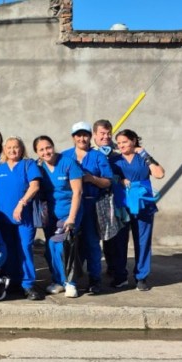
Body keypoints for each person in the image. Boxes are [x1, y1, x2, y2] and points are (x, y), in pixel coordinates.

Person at [0, 136, 43, 300]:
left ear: (21, 149)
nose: (12, 150)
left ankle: (28, 285)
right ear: (4, 150)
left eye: (15, 147)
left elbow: (35, 186)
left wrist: (22, 203)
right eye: (9, 147)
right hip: (3, 220)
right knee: (7, 251)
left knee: (24, 248)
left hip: (24, 219)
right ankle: (11, 282)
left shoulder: (28, 165)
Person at [110, 129, 165, 291]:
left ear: (134, 141)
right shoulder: (115, 160)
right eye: (119, 143)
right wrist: (120, 179)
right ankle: (120, 276)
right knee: (119, 242)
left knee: (142, 241)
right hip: (123, 206)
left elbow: (159, 174)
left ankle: (141, 277)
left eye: (124, 142)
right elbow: (109, 178)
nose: (121, 146)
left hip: (143, 205)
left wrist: (146, 156)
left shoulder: (143, 159)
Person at [61, 121, 113, 295]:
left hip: (91, 204)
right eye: (78, 135)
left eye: (85, 135)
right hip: (70, 206)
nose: (82, 138)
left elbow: (108, 181)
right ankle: (69, 279)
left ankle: (94, 280)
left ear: (90, 136)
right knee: (70, 243)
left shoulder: (98, 156)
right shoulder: (65, 156)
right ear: (73, 137)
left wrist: (92, 179)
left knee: (92, 243)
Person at [34, 135, 83, 298]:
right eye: (41, 149)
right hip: (51, 216)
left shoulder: (68, 163)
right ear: (37, 153)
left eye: (48, 147)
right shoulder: (39, 167)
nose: (46, 151)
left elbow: (77, 192)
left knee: (64, 247)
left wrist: (72, 217)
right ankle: (58, 281)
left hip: (69, 213)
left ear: (53, 146)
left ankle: (71, 283)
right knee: (51, 248)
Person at [92, 119, 120, 278]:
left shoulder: (117, 153)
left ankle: (114, 269)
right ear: (94, 134)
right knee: (92, 239)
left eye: (109, 133)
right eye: (102, 133)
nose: (106, 136)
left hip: (114, 202)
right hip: (94, 200)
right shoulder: (88, 153)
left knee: (113, 239)